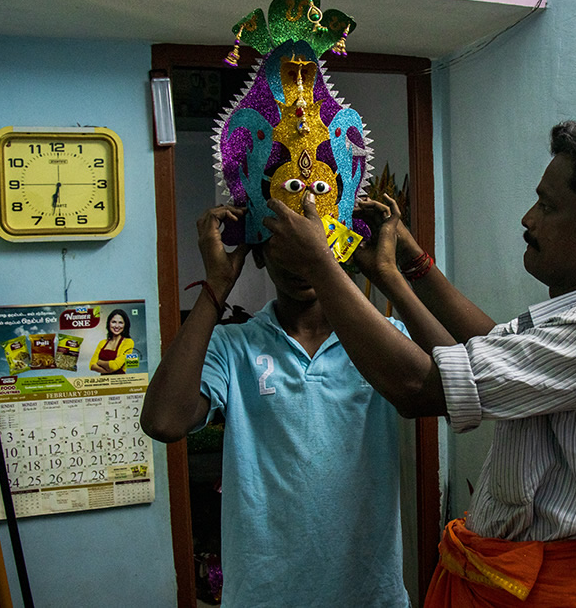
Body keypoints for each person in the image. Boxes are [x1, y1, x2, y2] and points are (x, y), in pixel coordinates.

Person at [262, 115, 576, 607]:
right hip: (514, 575)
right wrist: (401, 271)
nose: (528, 219)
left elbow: (421, 388)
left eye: (547, 206)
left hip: (553, 589)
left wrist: (320, 266)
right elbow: (480, 351)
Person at [139, 206, 411, 608]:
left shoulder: (388, 342)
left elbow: (462, 392)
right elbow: (163, 421)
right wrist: (217, 285)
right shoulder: (234, 347)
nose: (301, 261)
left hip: (370, 593)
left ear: (339, 243)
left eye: (314, 242)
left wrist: (391, 272)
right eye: (285, 243)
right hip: (263, 595)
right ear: (259, 253)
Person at [89, 308, 135, 375]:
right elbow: (92, 365)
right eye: (113, 322)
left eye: (120, 323)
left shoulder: (128, 342)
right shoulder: (102, 343)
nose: (116, 326)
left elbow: (115, 366)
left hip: (120, 382)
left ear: (125, 325)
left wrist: (99, 362)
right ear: (109, 323)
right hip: (104, 382)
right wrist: (108, 371)